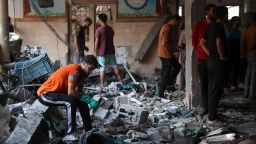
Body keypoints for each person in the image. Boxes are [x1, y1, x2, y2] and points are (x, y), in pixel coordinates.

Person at [37, 55, 100, 141]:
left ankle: (89, 131)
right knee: (70, 101)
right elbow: (71, 92)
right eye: (90, 68)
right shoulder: (75, 69)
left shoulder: (82, 75)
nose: (91, 72)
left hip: (57, 93)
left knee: (83, 104)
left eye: (92, 70)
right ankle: (71, 133)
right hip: (45, 94)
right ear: (83, 64)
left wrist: (86, 99)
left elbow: (79, 92)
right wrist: (87, 98)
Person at [200, 6, 228, 126]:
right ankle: (212, 118)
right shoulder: (219, 27)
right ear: (225, 16)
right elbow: (218, 42)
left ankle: (212, 114)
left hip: (210, 61)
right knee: (216, 89)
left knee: (212, 88)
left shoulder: (211, 26)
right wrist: (221, 56)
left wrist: (210, 53)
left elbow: (202, 43)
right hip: (217, 62)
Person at [192, 4, 216, 117]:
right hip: (203, 59)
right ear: (207, 13)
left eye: (215, 11)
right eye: (213, 11)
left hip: (215, 60)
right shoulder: (199, 26)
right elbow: (194, 42)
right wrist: (201, 51)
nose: (214, 13)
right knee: (204, 84)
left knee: (214, 84)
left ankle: (213, 108)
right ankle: (204, 107)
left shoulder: (217, 26)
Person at [94, 13, 122, 90]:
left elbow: (97, 42)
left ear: (100, 20)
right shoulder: (110, 29)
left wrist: (95, 51)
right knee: (114, 65)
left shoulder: (98, 30)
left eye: (98, 19)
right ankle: (120, 81)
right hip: (111, 51)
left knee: (102, 68)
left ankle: (102, 85)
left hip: (102, 52)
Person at [157, 14, 181, 98]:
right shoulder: (167, 28)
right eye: (178, 23)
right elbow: (165, 43)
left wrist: (174, 48)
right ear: (174, 20)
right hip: (165, 54)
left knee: (177, 67)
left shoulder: (166, 26)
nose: (178, 25)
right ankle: (160, 94)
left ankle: (167, 84)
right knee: (165, 74)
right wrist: (174, 48)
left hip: (164, 53)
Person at [226, 16, 241, 91]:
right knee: (231, 68)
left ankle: (234, 84)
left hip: (237, 51)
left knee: (236, 68)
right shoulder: (230, 31)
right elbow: (227, 40)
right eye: (238, 21)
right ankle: (231, 84)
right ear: (234, 22)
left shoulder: (238, 31)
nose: (239, 22)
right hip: (231, 51)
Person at [244, 14, 256, 100]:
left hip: (248, 54)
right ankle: (252, 94)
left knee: (248, 73)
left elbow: (244, 42)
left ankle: (246, 92)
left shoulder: (247, 30)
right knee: (254, 74)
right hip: (255, 53)